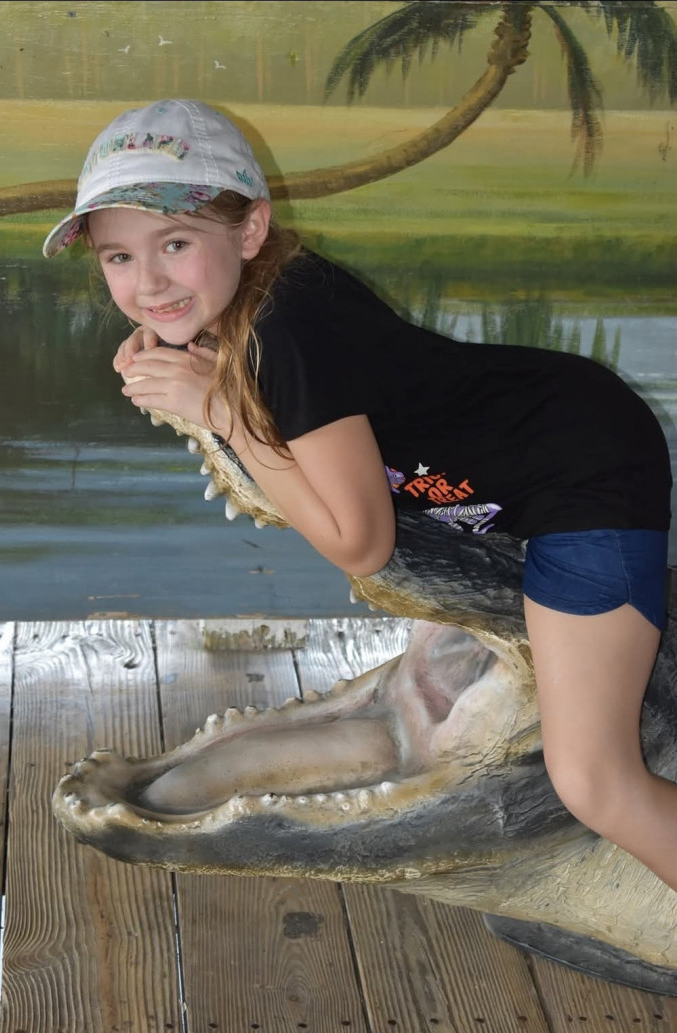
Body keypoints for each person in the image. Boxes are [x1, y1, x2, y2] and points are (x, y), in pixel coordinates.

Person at [43, 99, 676, 891]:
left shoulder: (290, 329)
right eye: (118, 257)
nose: (148, 282)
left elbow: (359, 543)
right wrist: (181, 348)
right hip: (521, 447)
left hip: (581, 467)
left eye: (175, 243)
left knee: (593, 781)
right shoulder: (254, 296)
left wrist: (222, 413)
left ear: (250, 230)